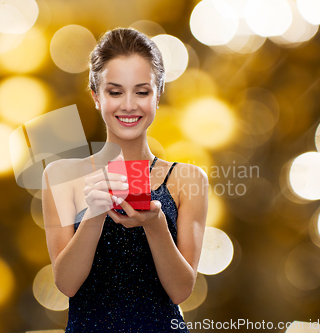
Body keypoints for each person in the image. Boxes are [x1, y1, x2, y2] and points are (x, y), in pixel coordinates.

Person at [42, 27, 208, 332]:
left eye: (142, 91)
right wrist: (93, 215)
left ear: (158, 95)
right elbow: (66, 284)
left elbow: (181, 290)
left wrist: (155, 223)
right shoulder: (61, 176)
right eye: (115, 91)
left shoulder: (187, 179)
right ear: (96, 96)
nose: (129, 105)